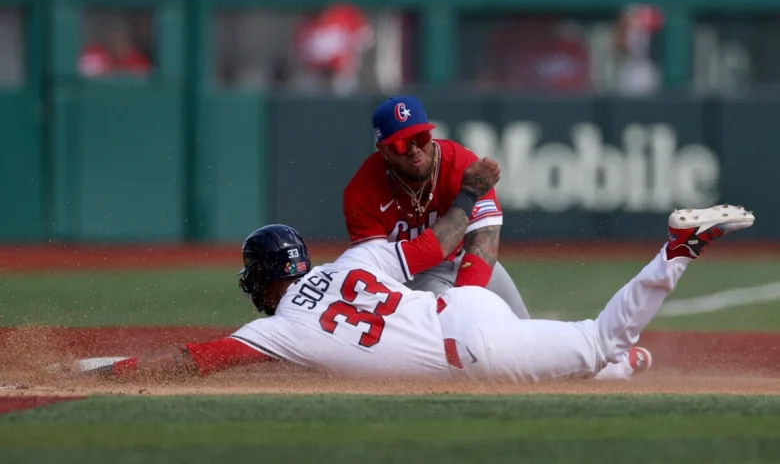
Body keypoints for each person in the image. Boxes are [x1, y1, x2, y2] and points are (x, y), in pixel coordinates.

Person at [74, 165, 755, 382]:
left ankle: (676, 249)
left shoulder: (280, 331)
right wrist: (469, 202)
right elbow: (439, 245)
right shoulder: (356, 258)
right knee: (587, 361)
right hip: (466, 307)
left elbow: (194, 359)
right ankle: (626, 363)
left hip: (471, 351)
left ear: (265, 276)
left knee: (593, 344)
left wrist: (112, 373)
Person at [343, 95, 531, 321]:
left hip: (465, 257)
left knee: (521, 325)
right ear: (383, 150)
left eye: (420, 137)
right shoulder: (361, 192)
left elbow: (484, 243)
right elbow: (376, 270)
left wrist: (466, 297)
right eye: (401, 144)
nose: (414, 149)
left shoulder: (461, 163)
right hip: (411, 276)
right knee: (449, 332)